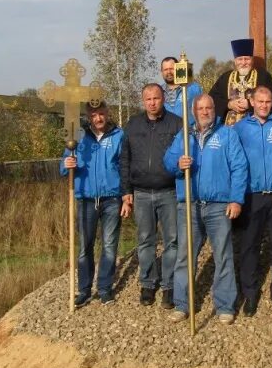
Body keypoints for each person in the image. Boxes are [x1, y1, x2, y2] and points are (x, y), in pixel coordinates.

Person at [163, 94, 248, 325]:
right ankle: (182, 304)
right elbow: (168, 161)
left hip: (218, 206)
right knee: (185, 256)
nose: (204, 111)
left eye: (208, 107)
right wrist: (178, 165)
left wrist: (236, 199)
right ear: (193, 111)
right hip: (189, 204)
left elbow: (239, 167)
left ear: (214, 109)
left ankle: (225, 306)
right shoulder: (184, 134)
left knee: (223, 255)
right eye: (200, 108)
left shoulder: (227, 134)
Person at [233, 85, 272, 316]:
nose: (264, 105)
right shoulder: (239, 129)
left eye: (268, 102)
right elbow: (234, 163)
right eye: (260, 101)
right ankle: (250, 293)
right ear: (252, 102)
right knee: (249, 246)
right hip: (252, 195)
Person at [120, 83, 182, 308]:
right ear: (142, 100)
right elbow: (124, 158)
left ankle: (169, 285)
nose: (152, 103)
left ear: (163, 98)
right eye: (148, 99)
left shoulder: (176, 123)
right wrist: (126, 191)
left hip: (169, 192)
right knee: (145, 240)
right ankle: (148, 283)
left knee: (172, 241)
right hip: (142, 193)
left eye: (156, 98)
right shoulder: (133, 125)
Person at [60, 100, 126, 306]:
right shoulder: (78, 136)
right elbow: (64, 167)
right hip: (86, 198)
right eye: (93, 115)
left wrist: (126, 196)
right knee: (85, 246)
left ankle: (105, 288)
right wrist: (67, 164)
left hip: (111, 199)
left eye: (101, 114)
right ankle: (84, 290)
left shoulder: (118, 135)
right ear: (88, 117)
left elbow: (125, 167)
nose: (98, 119)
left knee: (109, 245)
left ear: (107, 113)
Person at [210, 38, 272, 126]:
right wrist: (229, 104)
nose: (243, 62)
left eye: (247, 59)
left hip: (256, 128)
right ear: (235, 61)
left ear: (252, 60)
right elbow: (211, 99)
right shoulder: (225, 78)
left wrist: (250, 104)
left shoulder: (263, 76)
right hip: (230, 130)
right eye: (240, 59)